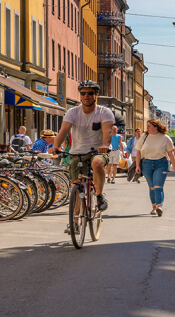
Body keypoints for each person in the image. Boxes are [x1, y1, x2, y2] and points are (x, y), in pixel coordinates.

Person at [50, 80, 113, 235]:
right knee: (76, 187)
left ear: (96, 95)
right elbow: (63, 130)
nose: (86, 96)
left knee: (98, 163)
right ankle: (74, 222)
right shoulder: (73, 112)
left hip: (98, 150)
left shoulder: (104, 112)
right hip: (77, 152)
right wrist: (56, 146)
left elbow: (107, 132)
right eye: (83, 93)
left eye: (90, 93)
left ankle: (99, 195)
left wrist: (105, 145)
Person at [135, 119, 175, 217]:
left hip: (161, 163)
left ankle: (159, 206)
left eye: (149, 126)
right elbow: (138, 151)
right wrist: (138, 165)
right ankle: (154, 207)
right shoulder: (144, 136)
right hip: (146, 164)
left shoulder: (165, 138)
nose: (147, 128)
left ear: (156, 127)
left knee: (158, 186)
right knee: (151, 187)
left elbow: (171, 154)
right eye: (147, 126)